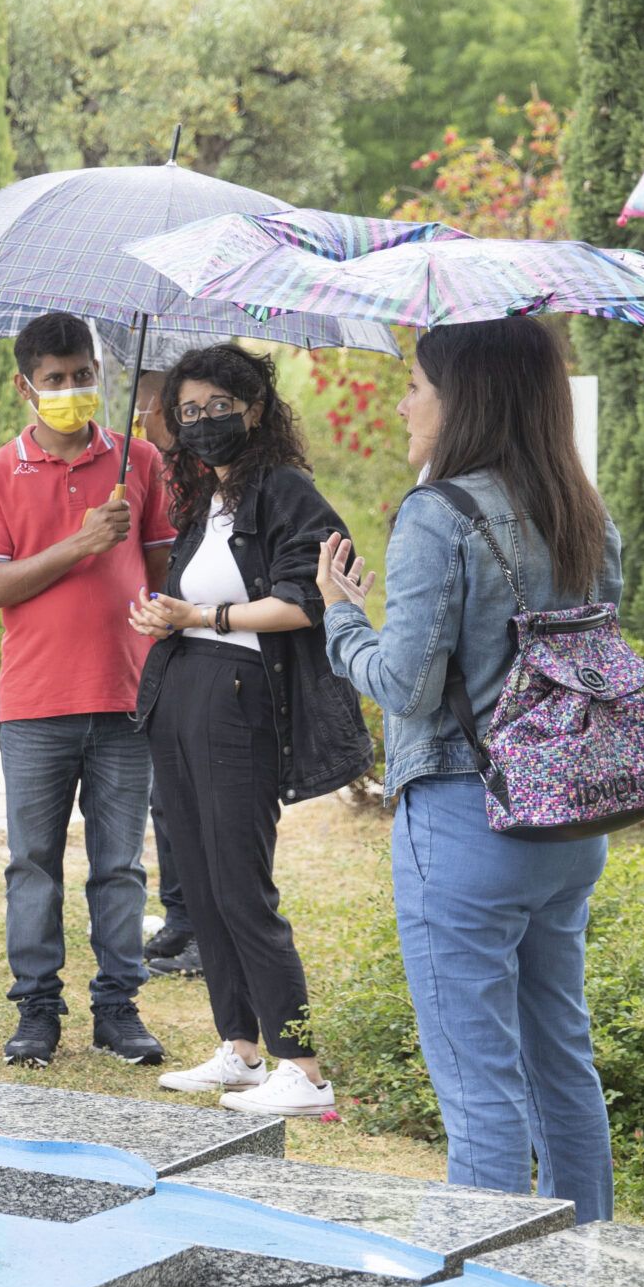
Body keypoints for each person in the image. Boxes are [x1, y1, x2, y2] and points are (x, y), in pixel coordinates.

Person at [320, 315, 624, 1222]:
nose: (406, 400)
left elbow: (404, 685)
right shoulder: (584, 510)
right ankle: (591, 1267)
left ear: (466, 397)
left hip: (466, 823)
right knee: (561, 1060)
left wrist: (342, 615)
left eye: (417, 382)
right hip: (569, 822)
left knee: (480, 1085)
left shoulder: (437, 513)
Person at [127, 344, 369, 1117]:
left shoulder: (284, 491)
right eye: (187, 411)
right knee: (199, 884)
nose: (202, 423)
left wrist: (204, 615)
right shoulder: (206, 499)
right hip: (183, 689)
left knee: (241, 882)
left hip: (241, 701)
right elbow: (193, 596)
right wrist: (163, 616)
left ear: (256, 407)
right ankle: (239, 1048)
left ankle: (303, 1067)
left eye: (216, 407)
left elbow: (309, 598)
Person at [0, 311, 175, 1066]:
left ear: (100, 372)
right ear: (25, 386)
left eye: (82, 375)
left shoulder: (140, 461)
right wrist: (81, 542)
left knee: (121, 866)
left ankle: (119, 1007)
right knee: (34, 864)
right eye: (53, 380)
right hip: (36, 704)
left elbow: (164, 570)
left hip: (126, 696)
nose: (71, 390)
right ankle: (37, 1009)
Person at [133, 367, 203, 981]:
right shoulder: (150, 471)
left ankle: (207, 928)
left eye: (148, 409)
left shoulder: (207, 474)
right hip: (165, 653)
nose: (139, 421)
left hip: (210, 654)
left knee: (204, 799)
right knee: (167, 799)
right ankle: (180, 916)